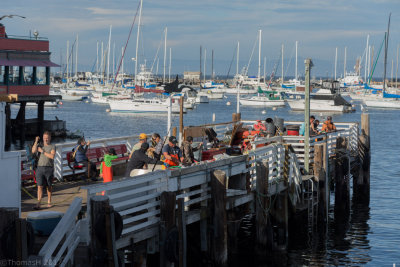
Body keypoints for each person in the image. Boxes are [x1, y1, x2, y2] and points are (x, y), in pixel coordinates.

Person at [32, 131, 55, 210]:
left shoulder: (52, 146)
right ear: (42, 138)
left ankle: (49, 202)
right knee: (39, 186)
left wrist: (43, 152)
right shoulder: (40, 145)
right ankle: (38, 203)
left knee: (49, 186)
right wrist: (36, 141)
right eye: (44, 138)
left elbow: (52, 156)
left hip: (49, 167)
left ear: (50, 138)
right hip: (39, 168)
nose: (46, 140)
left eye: (47, 138)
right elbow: (33, 151)